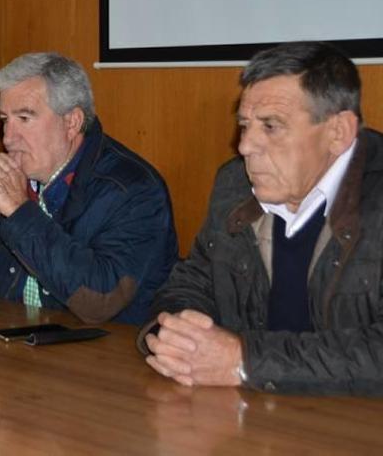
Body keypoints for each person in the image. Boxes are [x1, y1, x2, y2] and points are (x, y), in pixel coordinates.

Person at [139, 41, 383, 395]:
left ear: (338, 132)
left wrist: (245, 360)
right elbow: (192, 282)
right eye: (244, 125)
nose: (245, 146)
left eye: (271, 126)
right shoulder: (234, 184)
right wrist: (176, 336)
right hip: (252, 419)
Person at [0, 52, 178, 325]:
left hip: (102, 356)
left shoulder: (133, 190)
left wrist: (19, 211)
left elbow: (98, 300)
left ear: (72, 122)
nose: (7, 137)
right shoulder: (15, 175)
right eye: (5, 119)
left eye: (24, 118)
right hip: (12, 346)